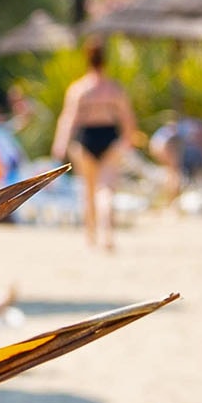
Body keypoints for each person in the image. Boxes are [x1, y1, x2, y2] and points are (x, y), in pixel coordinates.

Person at [51, 41, 138, 252]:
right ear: (105, 60)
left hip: (86, 138)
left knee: (88, 190)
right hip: (108, 137)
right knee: (106, 189)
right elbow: (127, 118)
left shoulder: (80, 89)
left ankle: (90, 236)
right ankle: (107, 234)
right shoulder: (113, 89)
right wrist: (128, 140)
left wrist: (59, 145)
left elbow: (68, 119)